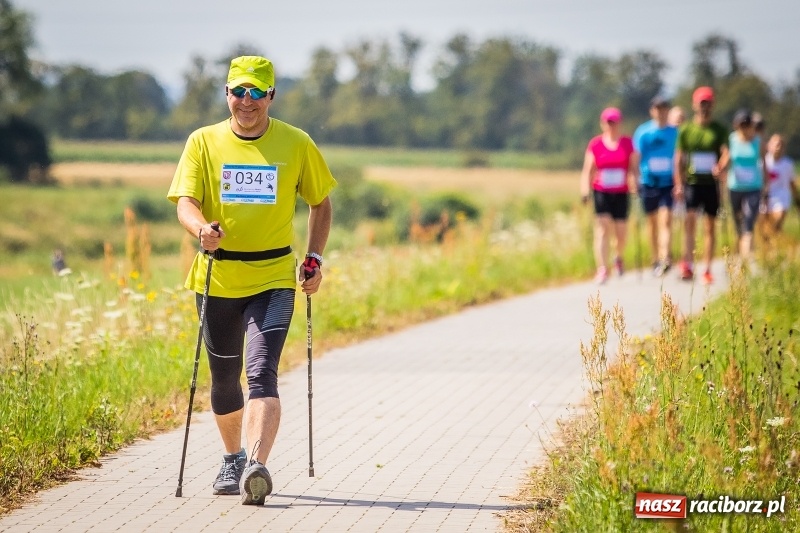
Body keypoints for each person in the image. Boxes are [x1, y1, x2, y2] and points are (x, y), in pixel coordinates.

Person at [167, 56, 336, 505]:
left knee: (262, 372)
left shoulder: (296, 143)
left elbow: (321, 202)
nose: (247, 100)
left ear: (271, 96)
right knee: (225, 377)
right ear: (226, 94)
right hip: (217, 277)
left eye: (257, 92)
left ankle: (256, 467)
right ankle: (233, 457)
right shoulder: (203, 141)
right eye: (239, 91)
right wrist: (201, 229)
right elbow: (185, 202)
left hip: (274, 277)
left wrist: (314, 257)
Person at [674, 86, 729, 284]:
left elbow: (726, 152)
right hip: (692, 183)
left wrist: (720, 166)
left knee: (709, 227)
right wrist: (678, 184)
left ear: (712, 105)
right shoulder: (686, 130)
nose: (704, 107)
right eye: (701, 103)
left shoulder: (719, 129)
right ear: (694, 105)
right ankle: (687, 265)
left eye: (708, 103)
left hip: (711, 184)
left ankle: (706, 269)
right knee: (689, 222)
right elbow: (679, 158)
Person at [580, 107, 637, 284]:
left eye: (614, 122)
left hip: (621, 192)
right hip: (601, 190)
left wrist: (635, 184)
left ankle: (618, 256)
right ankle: (603, 268)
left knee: (621, 232)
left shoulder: (627, 143)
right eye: (608, 122)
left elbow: (633, 169)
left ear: (619, 123)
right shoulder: (596, 144)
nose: (611, 126)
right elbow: (588, 170)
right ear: (603, 124)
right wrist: (585, 190)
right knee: (603, 228)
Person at [633, 96, 678, 276]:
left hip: (668, 182)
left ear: (668, 110)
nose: (661, 112)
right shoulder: (643, 132)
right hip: (648, 182)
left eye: (664, 108)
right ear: (652, 111)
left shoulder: (675, 132)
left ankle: (665, 257)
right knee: (651, 223)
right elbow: (636, 158)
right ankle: (655, 259)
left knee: (666, 220)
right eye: (657, 108)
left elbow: (680, 156)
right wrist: (634, 178)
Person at [726, 109, 766, 259]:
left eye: (747, 124)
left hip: (753, 187)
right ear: (736, 125)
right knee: (738, 223)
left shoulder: (758, 142)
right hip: (735, 187)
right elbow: (727, 158)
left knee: (748, 221)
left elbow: (764, 164)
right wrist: (719, 168)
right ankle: (740, 254)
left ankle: (746, 259)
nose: (744, 128)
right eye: (741, 125)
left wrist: (767, 183)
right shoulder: (732, 140)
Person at [764, 133, 798, 233]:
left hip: (781, 196)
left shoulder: (788, 164)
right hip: (766, 196)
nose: (778, 148)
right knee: (765, 225)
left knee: (778, 218)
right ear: (769, 146)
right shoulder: (763, 162)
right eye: (776, 145)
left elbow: (791, 182)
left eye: (780, 145)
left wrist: (796, 198)